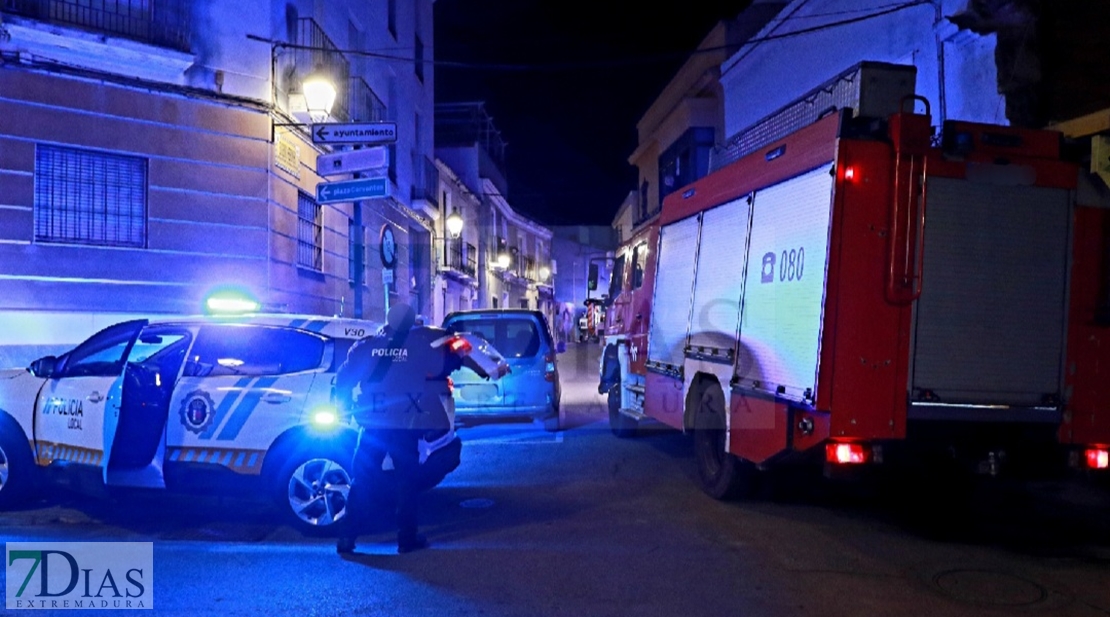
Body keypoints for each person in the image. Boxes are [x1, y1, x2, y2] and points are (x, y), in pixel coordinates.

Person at [333, 302, 462, 554]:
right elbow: (444, 368)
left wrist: (344, 407)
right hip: (406, 422)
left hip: (373, 422)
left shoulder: (367, 346)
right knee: (407, 480)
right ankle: (406, 539)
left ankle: (347, 538)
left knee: (362, 478)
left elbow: (343, 380)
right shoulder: (421, 347)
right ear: (411, 323)